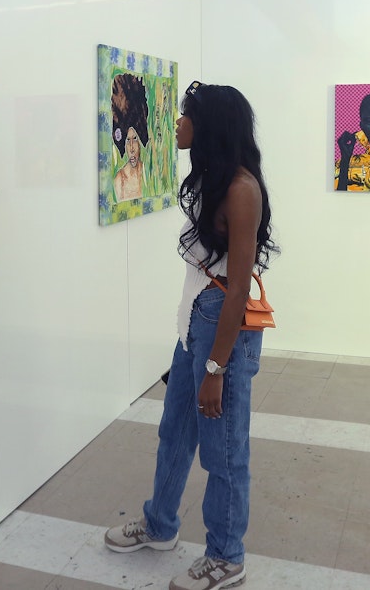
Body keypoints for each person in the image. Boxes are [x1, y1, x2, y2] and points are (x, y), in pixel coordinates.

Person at [105, 81, 279, 590]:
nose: (177, 124)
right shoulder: (209, 178)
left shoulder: (241, 189)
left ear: (212, 127)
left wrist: (215, 369)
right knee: (174, 433)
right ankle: (160, 525)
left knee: (223, 451)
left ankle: (227, 556)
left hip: (221, 330)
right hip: (194, 324)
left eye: (186, 116)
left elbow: (238, 287)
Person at [111, 73, 150, 201]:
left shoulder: (148, 173)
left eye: (135, 139)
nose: (132, 148)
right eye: (128, 140)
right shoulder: (119, 180)